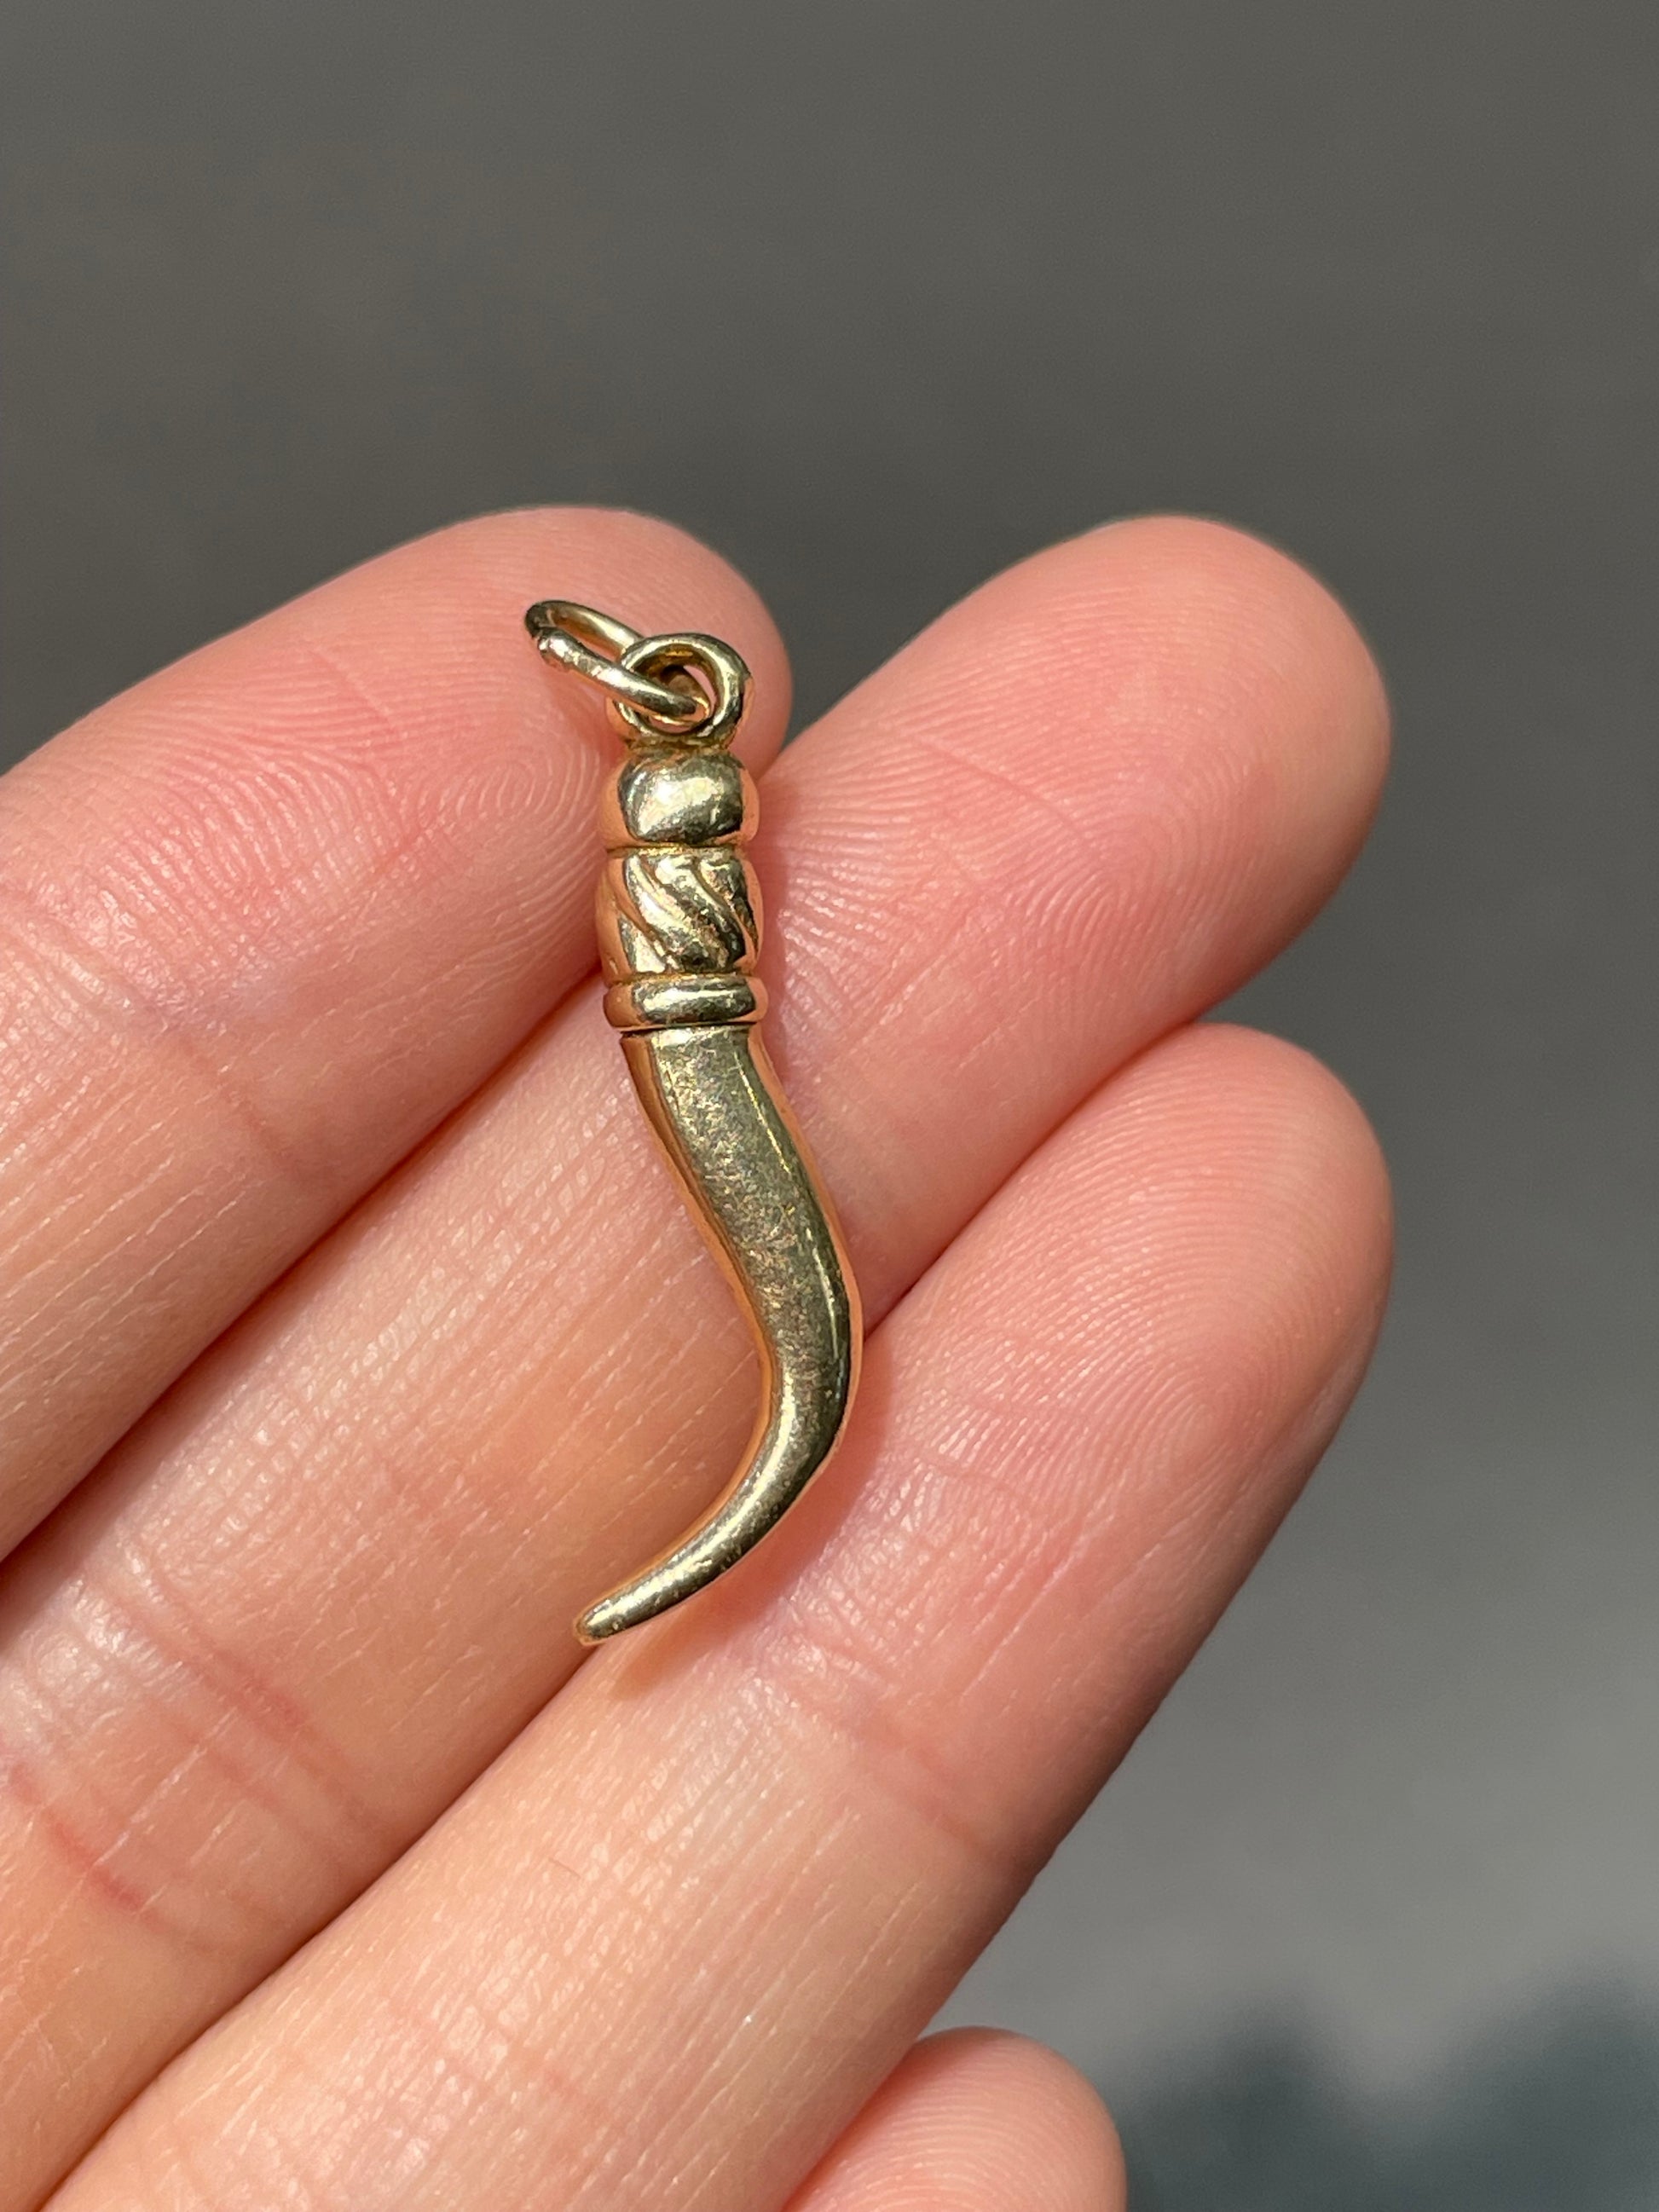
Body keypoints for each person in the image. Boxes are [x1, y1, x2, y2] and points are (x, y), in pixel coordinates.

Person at [0, 505, 1391, 2212]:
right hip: (684, 1020)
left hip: (690, 1020)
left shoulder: (681, 846)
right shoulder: (670, 851)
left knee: (835, 1344)